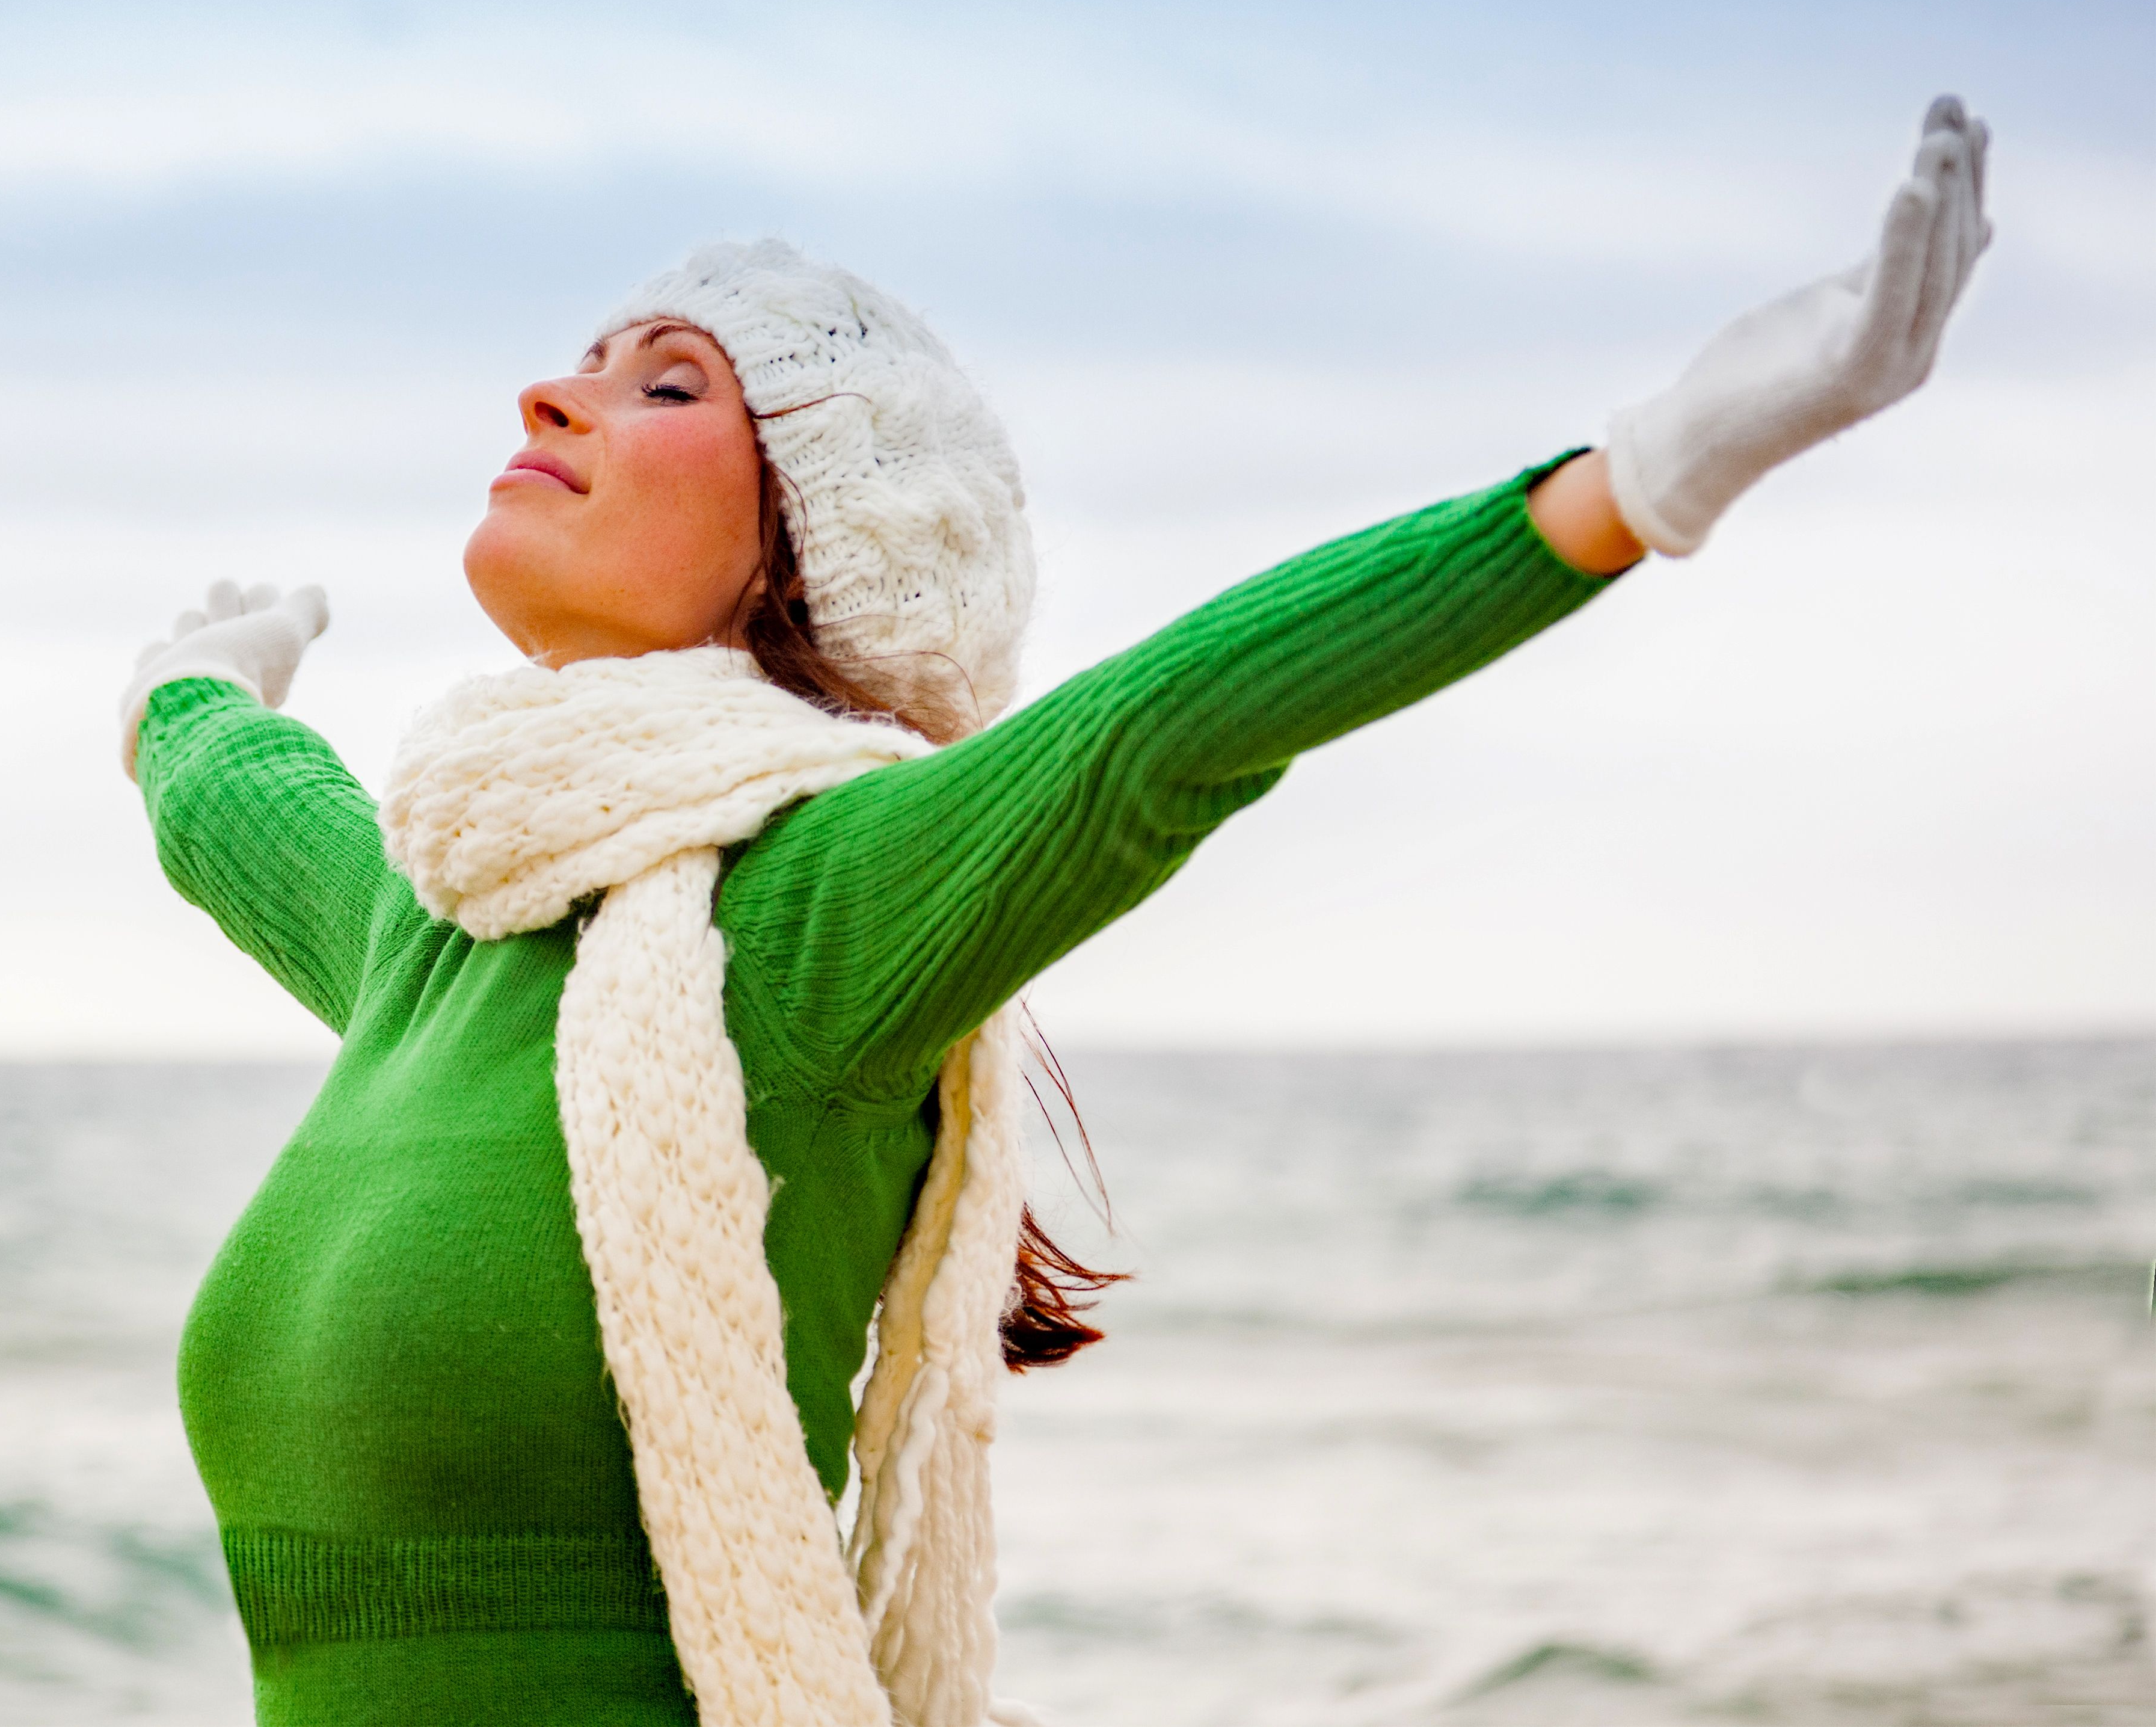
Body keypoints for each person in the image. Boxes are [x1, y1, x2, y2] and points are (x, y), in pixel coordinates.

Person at [117, 99, 1993, 1727]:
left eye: (667, 381)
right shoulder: (437, 933)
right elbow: (230, 801)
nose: (554, 393)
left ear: (802, 558)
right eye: (589, 358)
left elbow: (1168, 726)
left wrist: (1637, 479)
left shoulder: (811, 922)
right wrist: (192, 684)